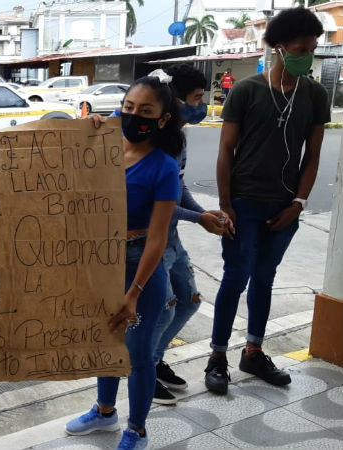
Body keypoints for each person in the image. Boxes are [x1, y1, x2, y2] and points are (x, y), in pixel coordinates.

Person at [204, 7, 330, 395]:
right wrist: (226, 205)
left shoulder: (314, 94)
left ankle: (253, 351)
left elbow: (313, 156)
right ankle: (218, 357)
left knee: (264, 278)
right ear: (278, 48)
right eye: (299, 48)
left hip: (284, 208)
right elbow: (226, 150)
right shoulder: (247, 91)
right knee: (235, 277)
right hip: (243, 203)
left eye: (311, 48)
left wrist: (299, 203)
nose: (306, 55)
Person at [65, 71, 182, 450]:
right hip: (101, 264)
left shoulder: (164, 166)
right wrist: (84, 133)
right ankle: (104, 412)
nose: (134, 116)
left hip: (140, 267)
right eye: (128, 107)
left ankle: (137, 428)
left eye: (145, 111)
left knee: (139, 351)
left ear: (162, 119)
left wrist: (134, 293)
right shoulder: (101, 146)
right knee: (105, 339)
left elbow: (159, 237)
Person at [149, 64, 233, 405]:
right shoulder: (150, 140)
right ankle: (143, 367)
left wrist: (202, 212)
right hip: (151, 241)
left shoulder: (178, 138)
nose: (202, 105)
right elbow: (154, 202)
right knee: (165, 309)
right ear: (176, 100)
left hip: (172, 239)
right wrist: (199, 219)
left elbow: (177, 186)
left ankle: (153, 361)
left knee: (189, 301)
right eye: (198, 98)